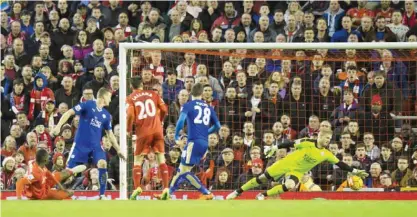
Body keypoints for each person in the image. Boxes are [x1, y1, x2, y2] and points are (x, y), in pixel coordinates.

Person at [226, 129, 369, 200]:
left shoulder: (326, 153)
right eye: (325, 137)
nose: (327, 140)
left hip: (297, 172)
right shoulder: (307, 141)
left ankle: (263, 195)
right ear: (319, 136)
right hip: (285, 163)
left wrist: (355, 171)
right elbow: (290, 143)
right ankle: (238, 191)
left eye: (329, 139)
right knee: (262, 178)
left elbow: (341, 164)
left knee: (289, 186)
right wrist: (275, 148)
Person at [51, 88, 125, 200]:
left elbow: (110, 134)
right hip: (80, 144)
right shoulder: (88, 105)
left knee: (102, 163)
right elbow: (69, 112)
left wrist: (118, 149)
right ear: (104, 96)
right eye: (109, 96)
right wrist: (58, 126)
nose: (110, 99)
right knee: (68, 172)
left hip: (95, 146)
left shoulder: (106, 115)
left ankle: (101, 195)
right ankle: (56, 190)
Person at [157, 83, 221, 200]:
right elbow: (217, 125)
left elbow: (181, 122)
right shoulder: (208, 107)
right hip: (204, 143)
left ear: (190, 93)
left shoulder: (188, 105)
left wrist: (176, 136)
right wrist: (205, 133)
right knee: (182, 169)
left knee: (184, 172)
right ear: (202, 94)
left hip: (193, 142)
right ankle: (168, 193)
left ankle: (206, 192)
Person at [126, 76, 168, 199]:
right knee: (161, 158)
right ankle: (165, 188)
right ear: (142, 85)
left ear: (130, 86)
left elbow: (129, 115)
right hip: (157, 131)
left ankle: (138, 187)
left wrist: (128, 130)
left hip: (143, 132)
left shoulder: (130, 98)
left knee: (138, 160)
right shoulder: (153, 94)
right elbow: (164, 109)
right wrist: (159, 121)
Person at [15, 149, 86, 200]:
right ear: (45, 160)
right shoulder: (35, 174)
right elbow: (20, 182)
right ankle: (65, 196)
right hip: (41, 194)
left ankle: (72, 171)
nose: (49, 159)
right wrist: (19, 199)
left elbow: (51, 176)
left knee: (57, 175)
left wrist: (62, 188)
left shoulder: (41, 165)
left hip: (43, 183)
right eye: (48, 157)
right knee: (70, 193)